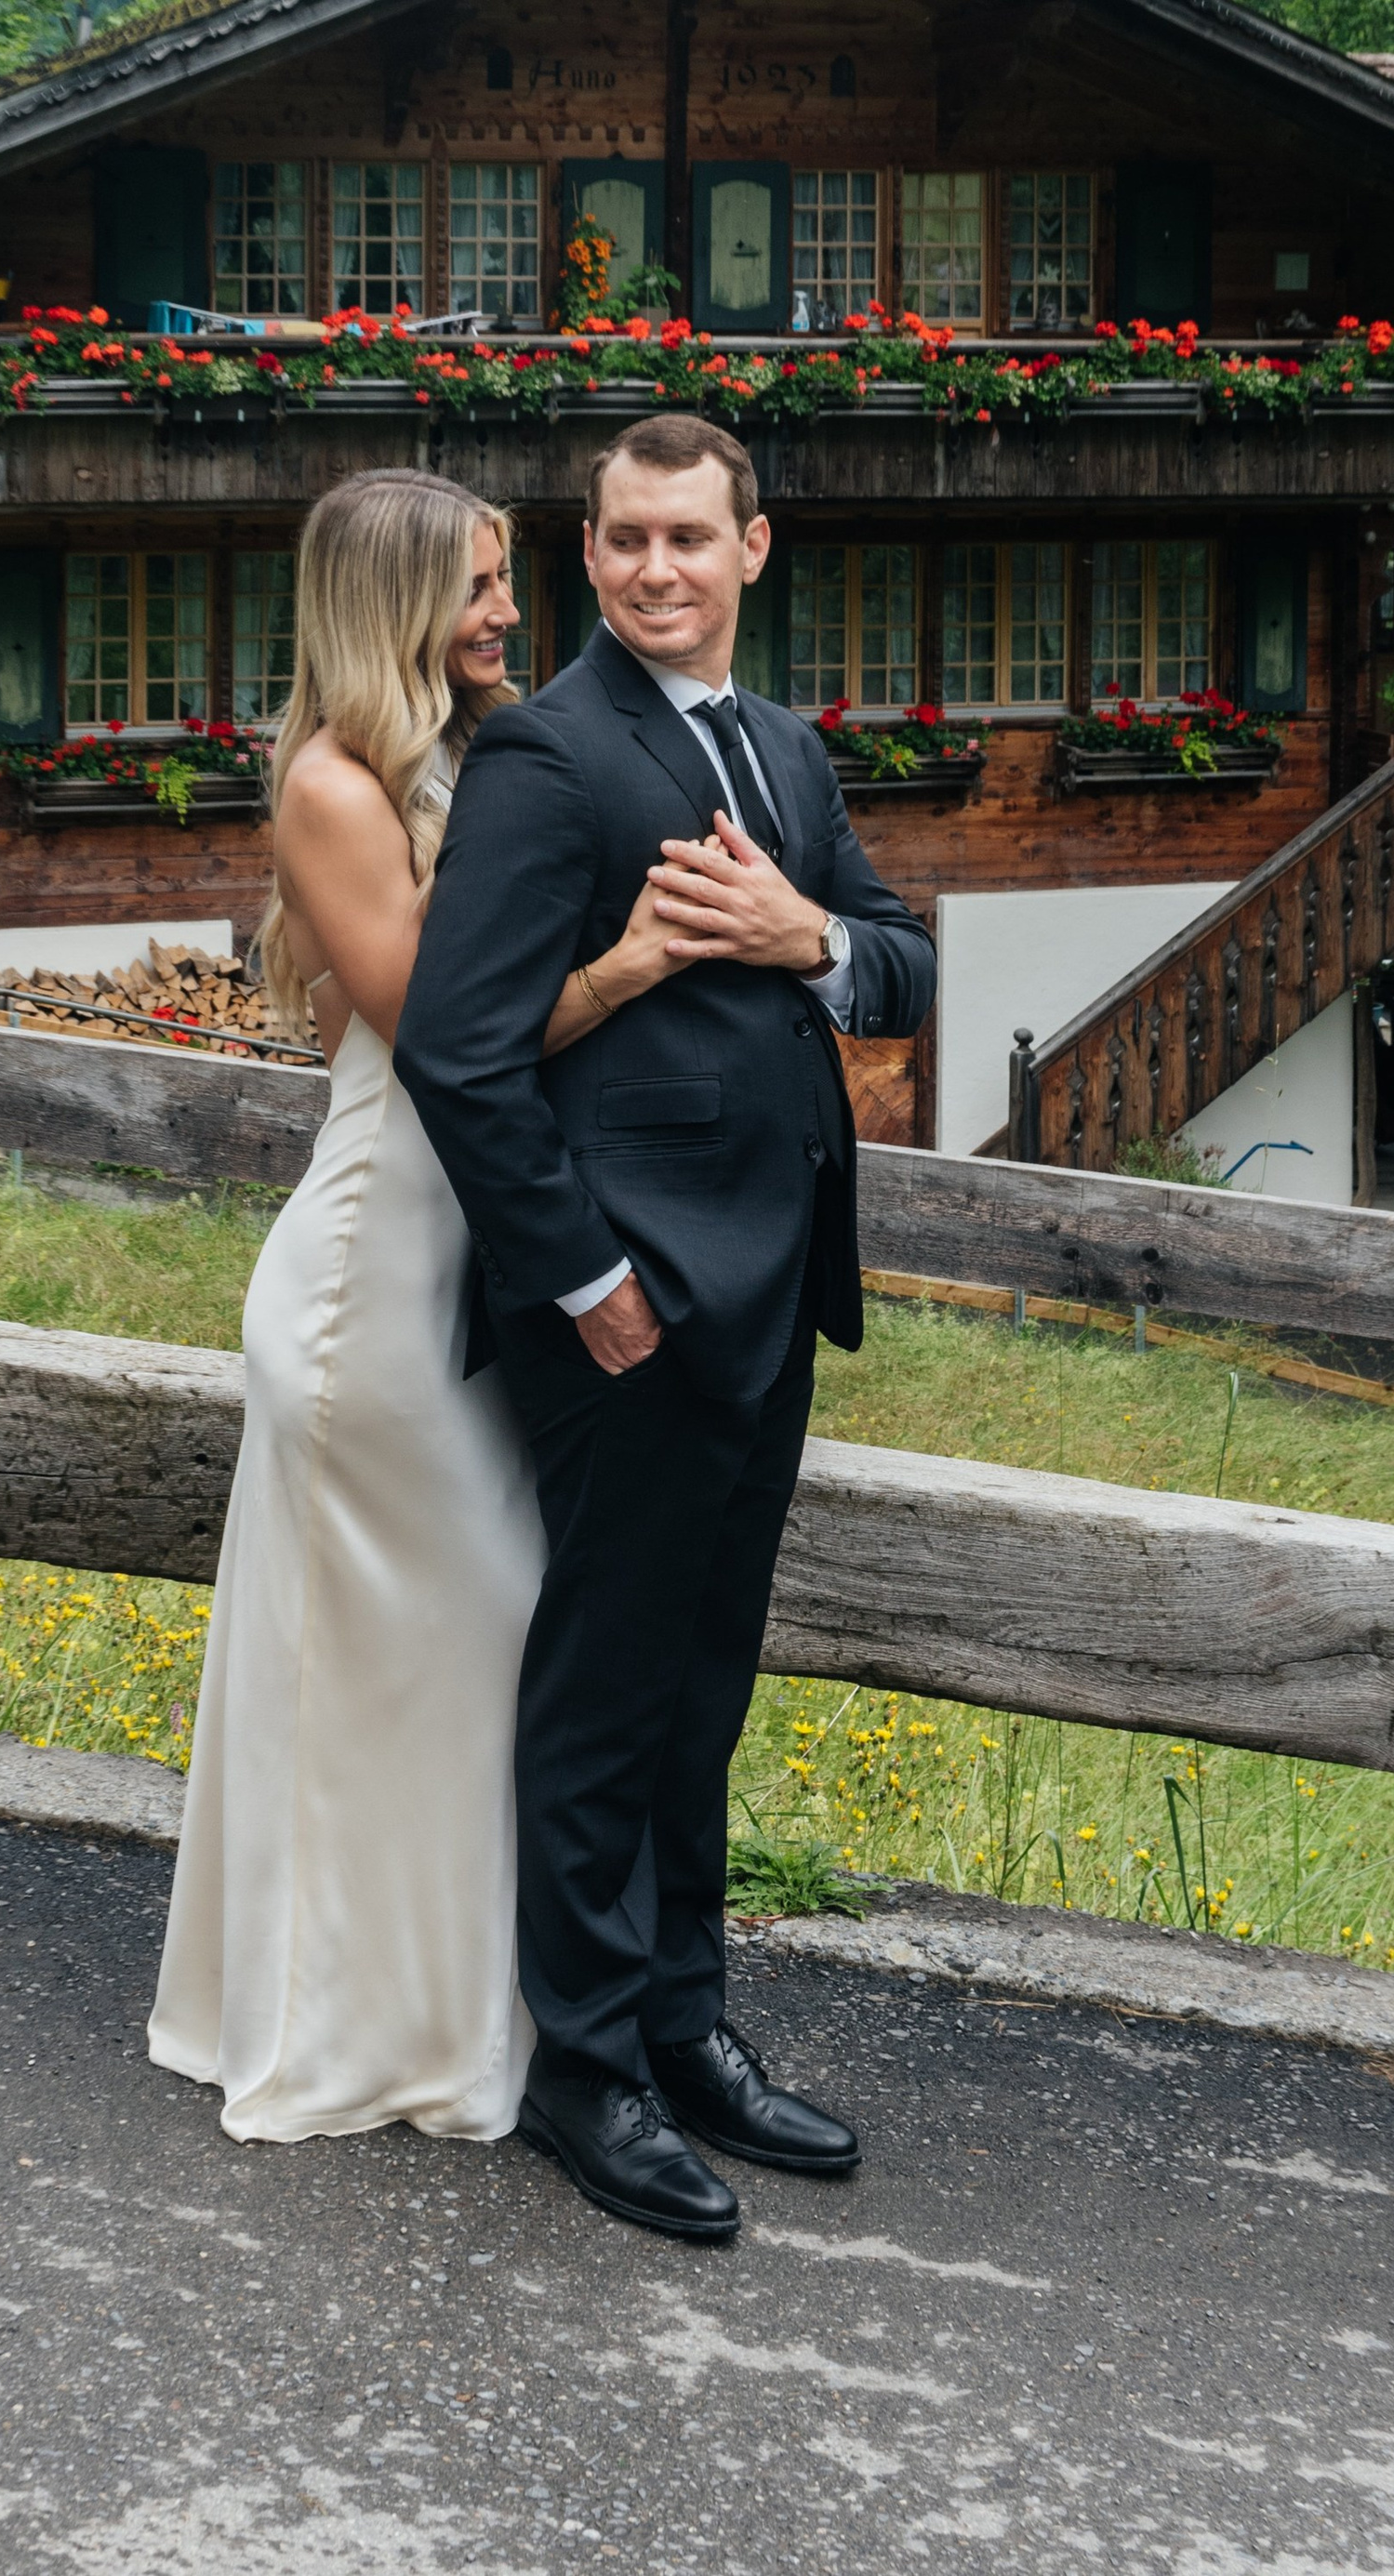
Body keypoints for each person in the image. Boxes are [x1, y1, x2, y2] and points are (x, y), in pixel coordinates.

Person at [395, 414, 937, 2242]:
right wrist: (582, 1280)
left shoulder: (780, 751)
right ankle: (583, 2065)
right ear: (587, 549)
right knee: (607, 1691)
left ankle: (686, 2025)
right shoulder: (553, 752)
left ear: (750, 550)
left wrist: (803, 936)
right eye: (623, 539)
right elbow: (459, 1055)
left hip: (773, 1298)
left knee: (702, 1688)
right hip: (625, 1311)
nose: (652, 569)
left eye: (687, 538)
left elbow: (904, 961)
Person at [147, 468, 692, 2144]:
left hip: (469, 1262)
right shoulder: (332, 786)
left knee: (460, 1653)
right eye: (473, 588)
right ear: (388, 601)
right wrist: (631, 964)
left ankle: (467, 2013)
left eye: (508, 582)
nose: (506, 613)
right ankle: (363, 2026)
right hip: (372, 1282)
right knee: (437, 1638)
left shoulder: (461, 757)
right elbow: (455, 1035)